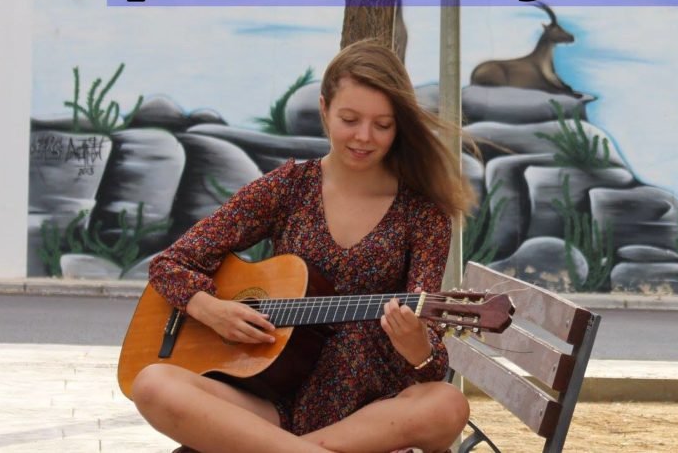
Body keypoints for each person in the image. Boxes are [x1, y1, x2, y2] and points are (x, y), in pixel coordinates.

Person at [130, 41, 475, 453]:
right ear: (324, 108)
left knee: (448, 404)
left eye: (382, 125)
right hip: (271, 405)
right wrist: (213, 310)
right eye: (350, 119)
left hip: (369, 416)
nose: (364, 137)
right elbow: (171, 263)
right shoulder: (288, 188)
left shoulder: (423, 213)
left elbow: (432, 368)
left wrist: (417, 345)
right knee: (152, 384)